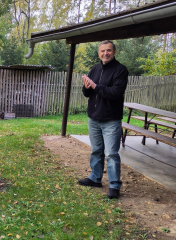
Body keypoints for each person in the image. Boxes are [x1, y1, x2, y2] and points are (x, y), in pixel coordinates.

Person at [78, 40, 129, 199]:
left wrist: (94, 86)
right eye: (102, 51)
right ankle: (95, 178)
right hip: (94, 118)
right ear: (99, 53)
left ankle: (114, 185)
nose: (105, 53)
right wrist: (86, 87)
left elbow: (115, 93)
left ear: (114, 52)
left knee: (111, 153)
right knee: (96, 151)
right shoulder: (95, 68)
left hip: (111, 119)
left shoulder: (120, 70)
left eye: (108, 50)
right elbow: (87, 93)